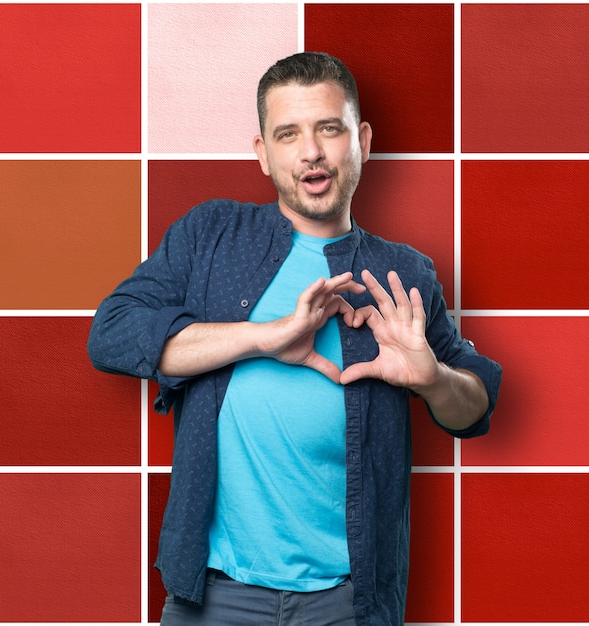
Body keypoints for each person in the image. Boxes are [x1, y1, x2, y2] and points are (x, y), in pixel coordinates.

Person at [88, 52, 501, 626]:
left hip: (350, 601)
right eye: (288, 134)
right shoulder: (211, 236)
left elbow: (474, 404)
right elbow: (111, 334)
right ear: (262, 153)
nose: (311, 151)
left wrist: (434, 380)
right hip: (213, 593)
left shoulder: (403, 273)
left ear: (360, 140)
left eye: (328, 129)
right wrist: (262, 337)